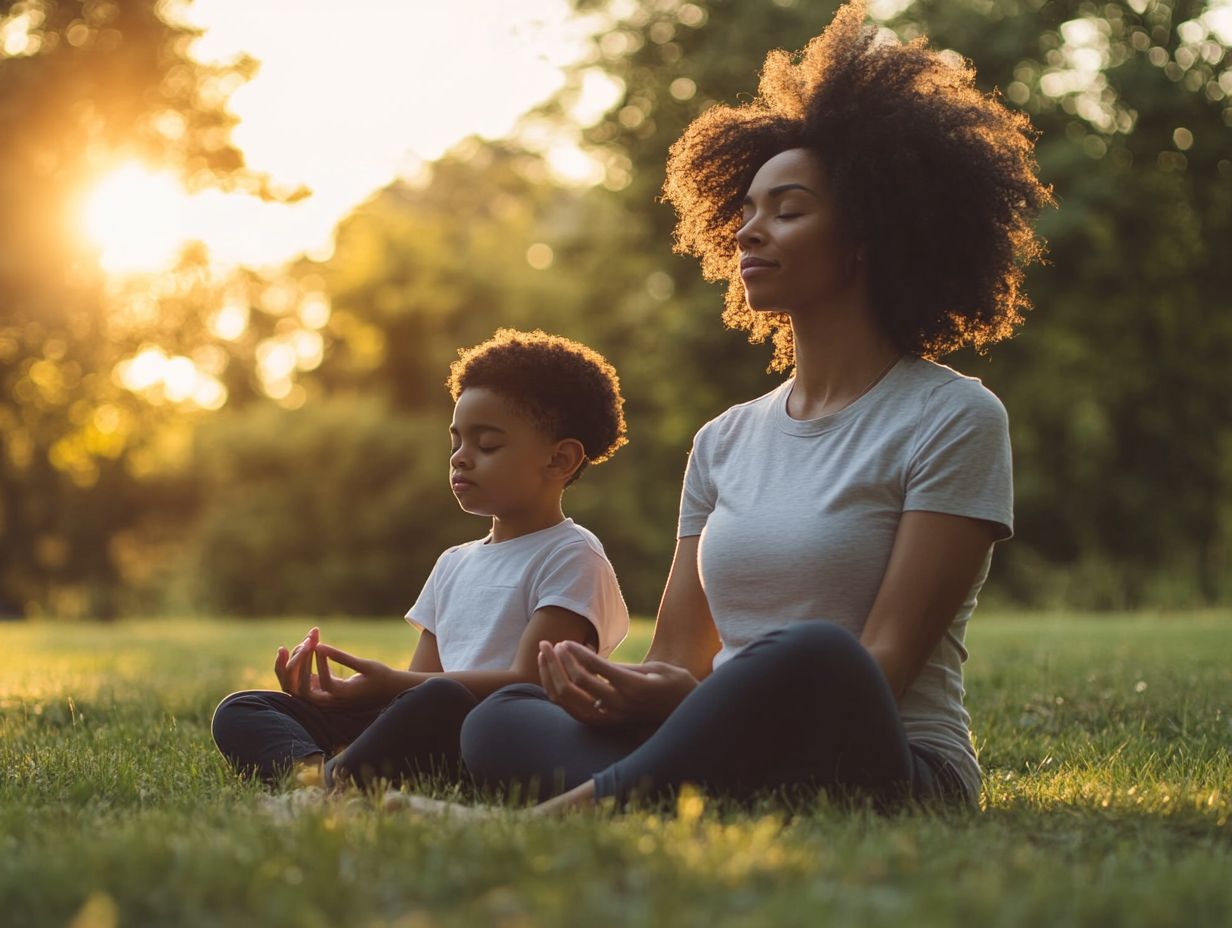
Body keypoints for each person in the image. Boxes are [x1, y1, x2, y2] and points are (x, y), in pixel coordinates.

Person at [457, 1, 1054, 813]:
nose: (749, 232)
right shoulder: (723, 441)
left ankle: (576, 811)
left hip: (889, 760)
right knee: (503, 717)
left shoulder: (953, 419)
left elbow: (879, 669)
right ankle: (676, 781)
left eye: (788, 209)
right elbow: (676, 663)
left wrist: (695, 703)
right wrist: (610, 685)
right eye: (744, 211)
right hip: (731, 741)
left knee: (818, 653)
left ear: (866, 238)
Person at [211, 329, 631, 790]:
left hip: (496, 732)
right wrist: (348, 696)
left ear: (559, 460)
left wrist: (393, 684)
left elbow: (530, 684)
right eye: (456, 443)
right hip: (429, 718)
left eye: (486, 445)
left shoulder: (571, 555)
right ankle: (313, 776)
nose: (461, 459)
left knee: (442, 697)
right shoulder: (453, 562)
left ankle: (334, 781)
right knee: (245, 708)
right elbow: (419, 683)